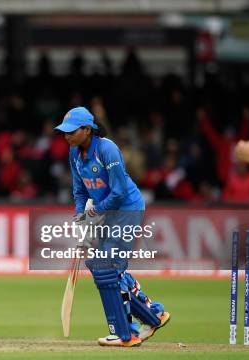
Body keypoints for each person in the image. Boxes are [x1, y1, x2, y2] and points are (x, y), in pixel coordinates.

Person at [54, 106, 170, 347]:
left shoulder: (107, 149)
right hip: (107, 214)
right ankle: (154, 315)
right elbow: (79, 190)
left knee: (105, 268)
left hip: (127, 210)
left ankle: (126, 334)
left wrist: (95, 212)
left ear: (87, 130)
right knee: (109, 270)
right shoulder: (74, 153)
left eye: (71, 131)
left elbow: (118, 193)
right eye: (64, 132)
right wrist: (80, 219)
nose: (66, 136)